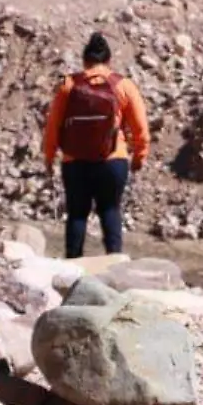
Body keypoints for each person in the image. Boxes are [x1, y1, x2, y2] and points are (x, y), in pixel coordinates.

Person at [42, 33, 150, 258]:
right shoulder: (124, 85)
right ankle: (115, 263)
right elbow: (140, 129)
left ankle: (72, 267)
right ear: (109, 61)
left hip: (74, 161)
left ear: (84, 61)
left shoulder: (67, 83)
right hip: (112, 160)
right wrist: (139, 157)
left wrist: (49, 156)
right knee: (110, 210)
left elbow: (53, 124)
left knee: (77, 214)